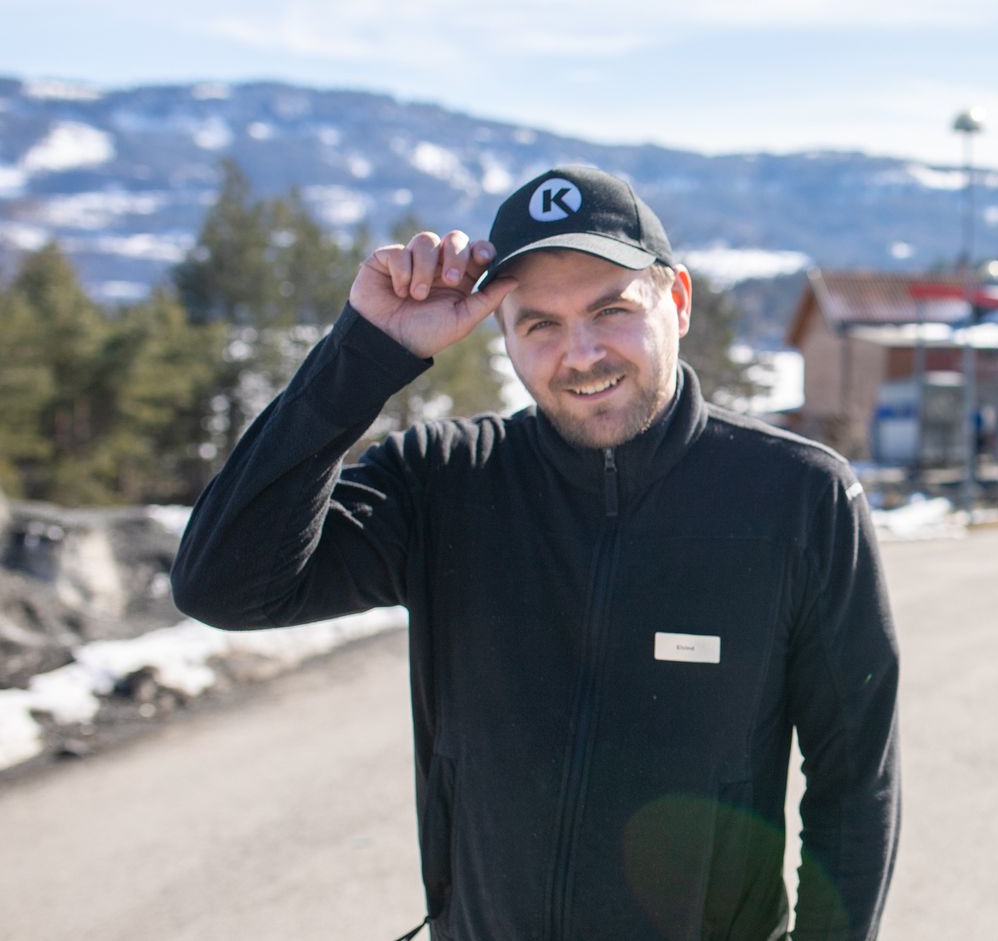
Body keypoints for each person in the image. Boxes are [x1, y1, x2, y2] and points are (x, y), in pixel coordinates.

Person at [172, 166, 900, 941]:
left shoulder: (795, 496)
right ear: (503, 334)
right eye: (539, 324)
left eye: (611, 310)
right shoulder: (445, 481)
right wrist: (366, 351)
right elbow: (224, 583)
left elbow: (855, 780)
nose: (580, 353)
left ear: (676, 301)